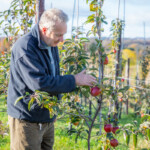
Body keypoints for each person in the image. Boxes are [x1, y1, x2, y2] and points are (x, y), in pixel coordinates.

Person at [7, 8, 97, 150]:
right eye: (58, 35)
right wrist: (74, 80)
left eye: (63, 35)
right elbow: (40, 83)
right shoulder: (25, 48)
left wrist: (53, 110)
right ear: (44, 29)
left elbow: (54, 75)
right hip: (27, 119)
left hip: (46, 116)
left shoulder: (51, 44)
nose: (62, 40)